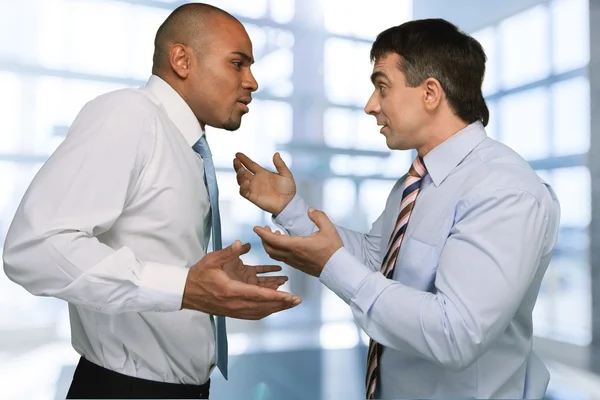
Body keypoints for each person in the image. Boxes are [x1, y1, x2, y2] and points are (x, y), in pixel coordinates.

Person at [233, 18, 561, 399]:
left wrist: (331, 265)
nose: (371, 106)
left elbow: (456, 334)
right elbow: (378, 260)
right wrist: (290, 209)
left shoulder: (504, 190)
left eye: (382, 87)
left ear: (430, 93)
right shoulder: (415, 182)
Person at [2, 3, 301, 399]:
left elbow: (155, 254)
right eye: (237, 63)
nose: (253, 82)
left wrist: (204, 281)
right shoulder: (128, 116)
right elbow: (34, 248)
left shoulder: (188, 146)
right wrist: (183, 286)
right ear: (182, 59)